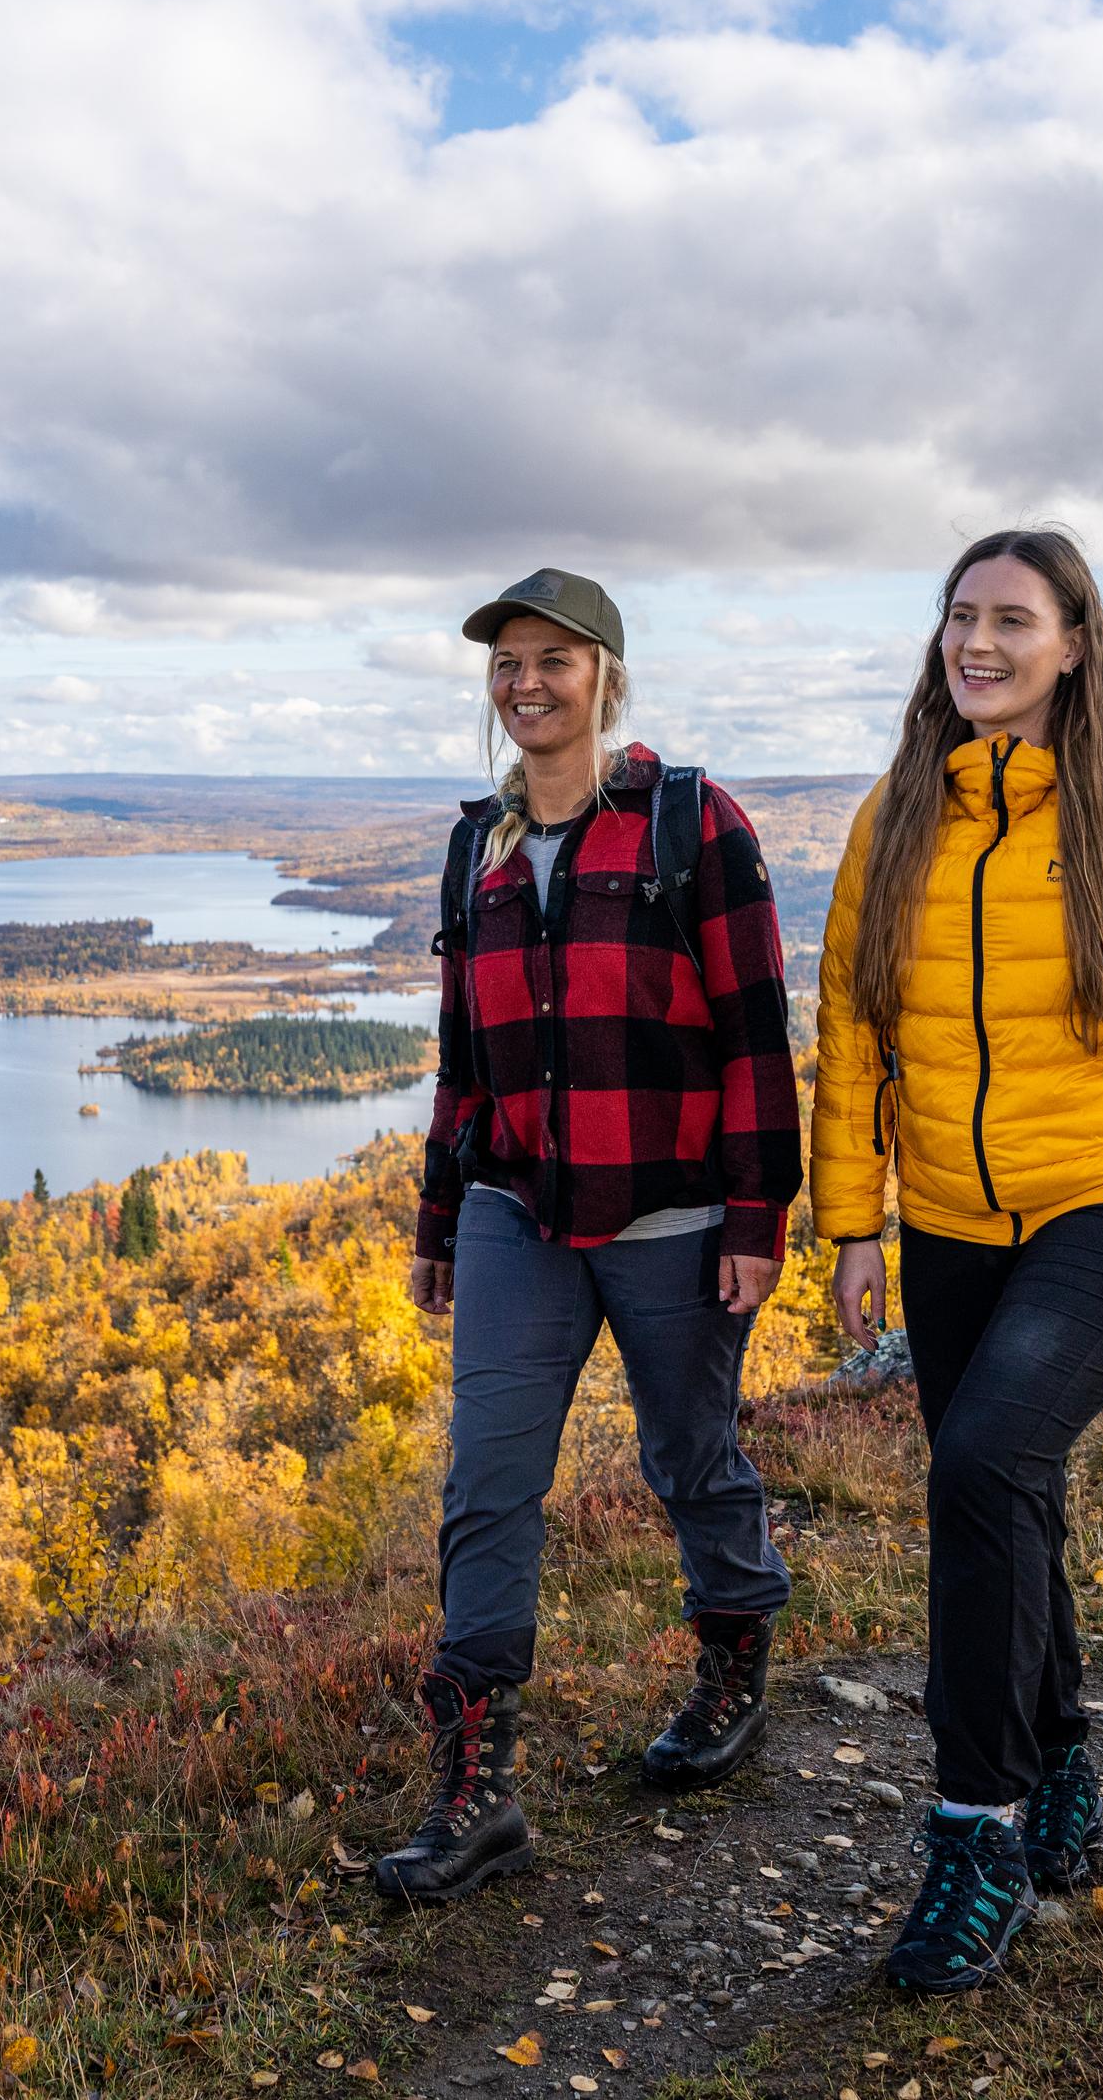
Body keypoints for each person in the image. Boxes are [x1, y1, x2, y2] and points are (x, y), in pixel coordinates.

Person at [810, 528, 1103, 1993]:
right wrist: (850, 1224)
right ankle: (1065, 1766)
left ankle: (979, 1834)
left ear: (1077, 643)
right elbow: (848, 1028)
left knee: (984, 1461)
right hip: (954, 1214)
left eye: (1014, 620)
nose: (980, 643)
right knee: (1005, 1482)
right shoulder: (903, 810)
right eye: (963, 617)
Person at [377, 567, 806, 1904]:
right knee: (487, 1482)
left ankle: (735, 1650)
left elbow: (754, 1036)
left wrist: (755, 1215)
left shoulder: (689, 822)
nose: (528, 681)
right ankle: (479, 1789)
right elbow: (464, 1057)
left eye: (556, 659)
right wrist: (441, 1220)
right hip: (517, 1212)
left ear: (606, 678)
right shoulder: (479, 848)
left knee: (690, 1455)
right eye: (509, 661)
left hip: (675, 1216)